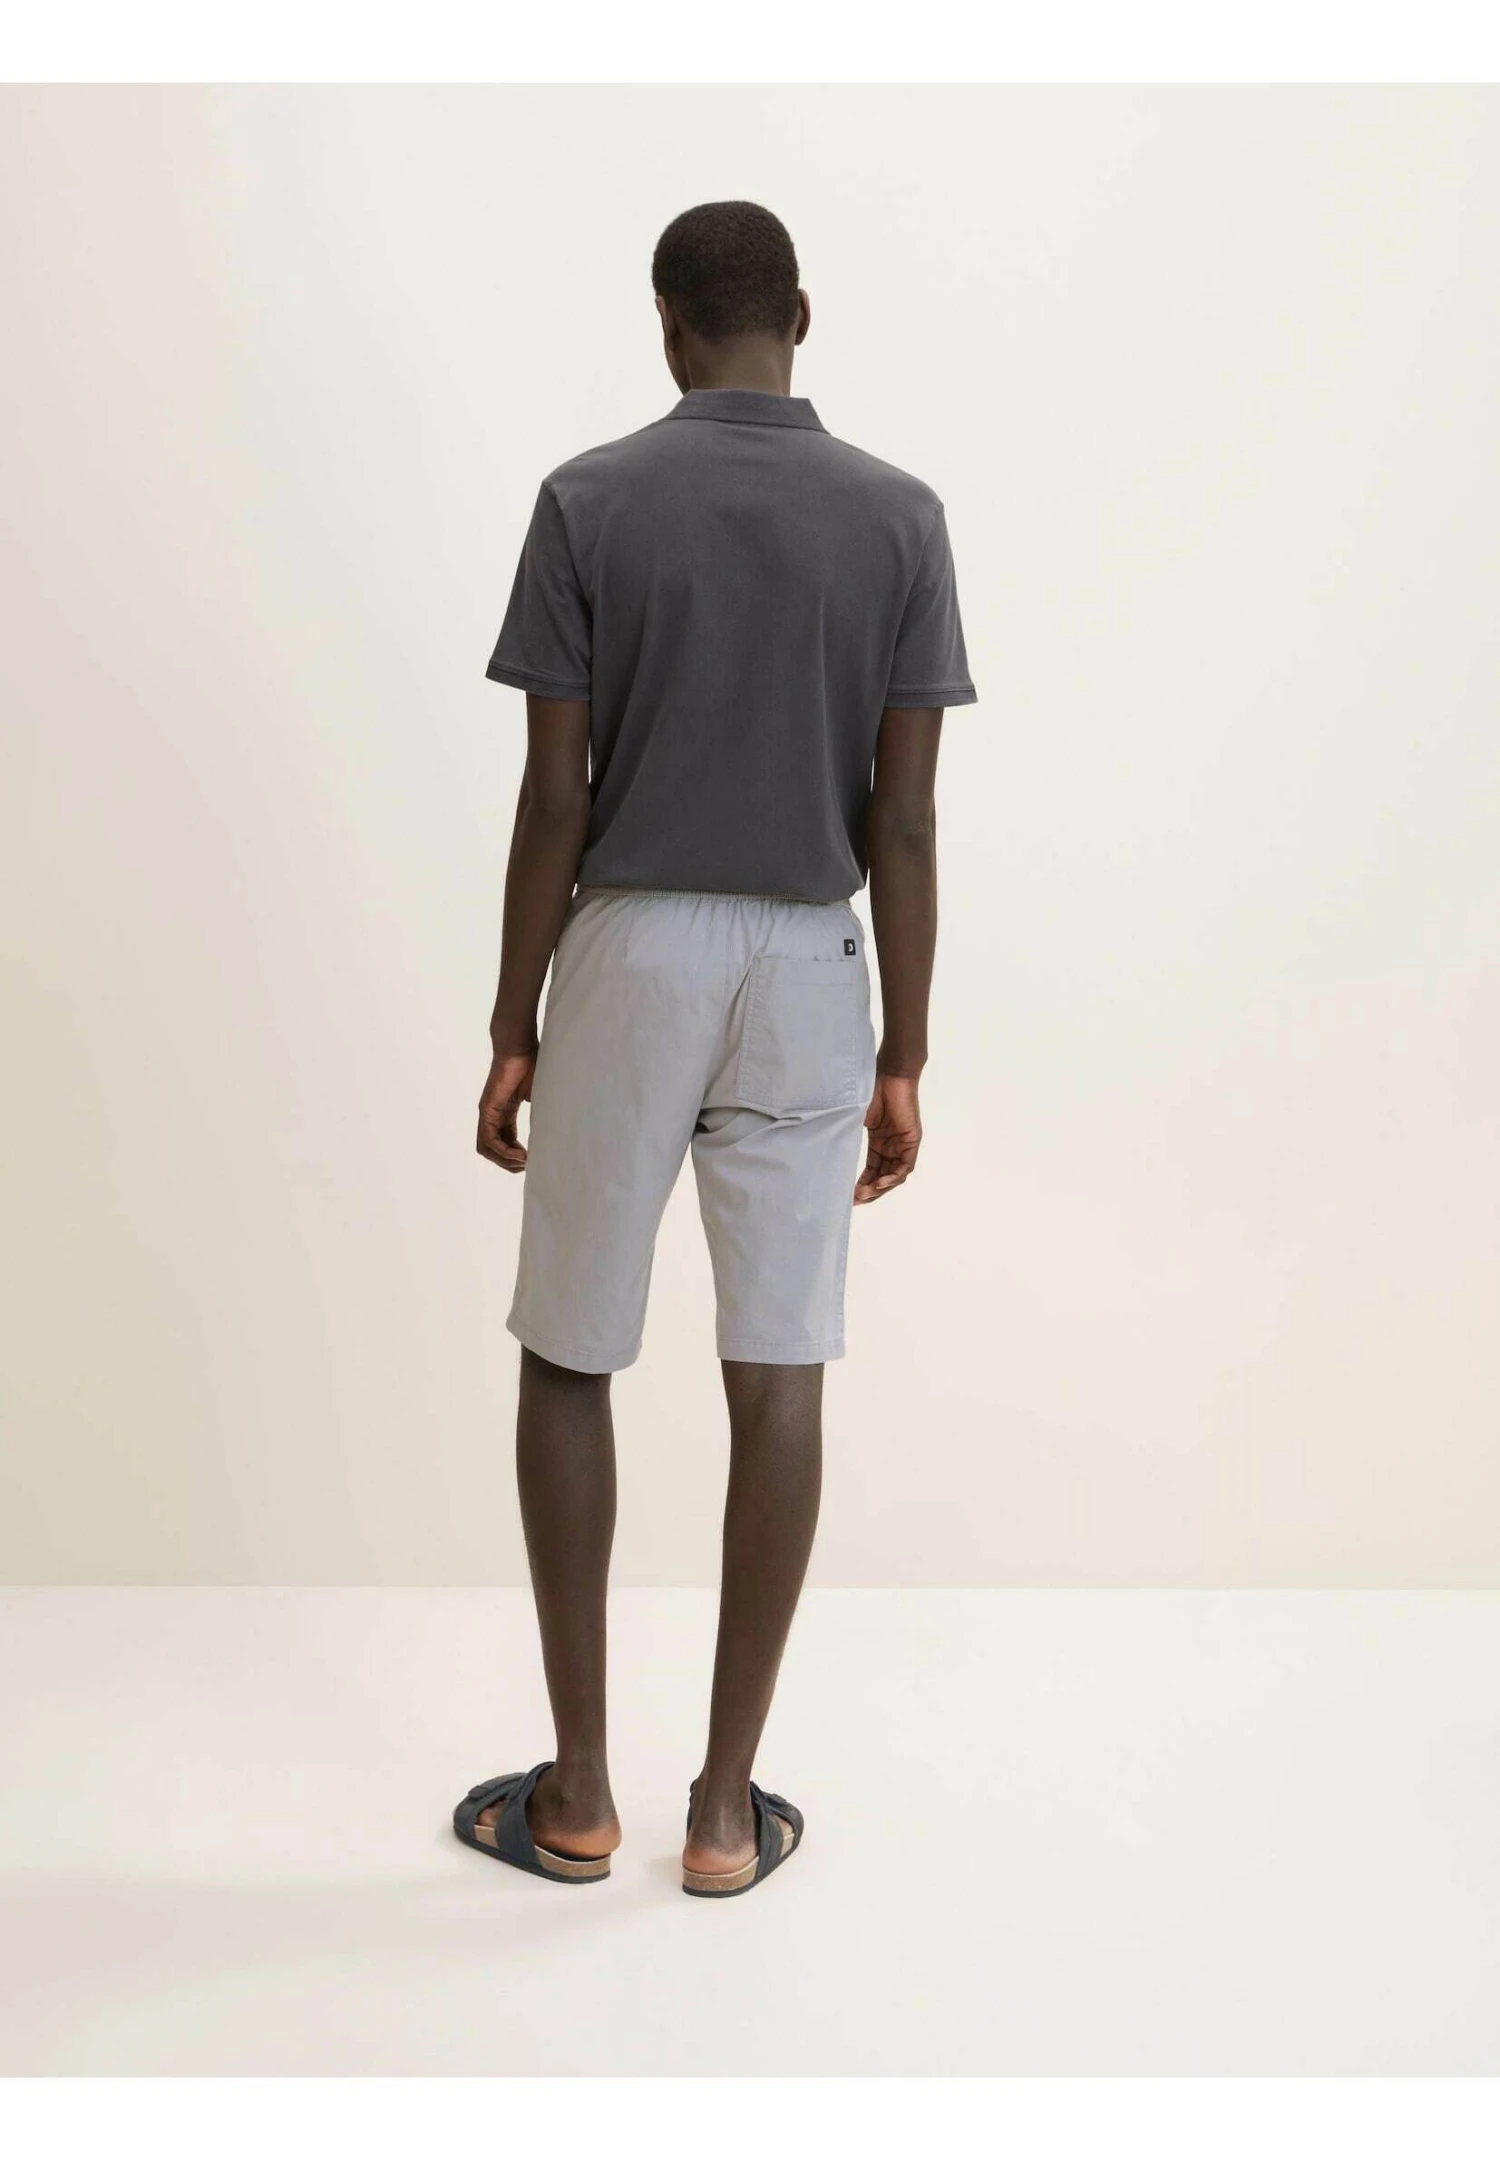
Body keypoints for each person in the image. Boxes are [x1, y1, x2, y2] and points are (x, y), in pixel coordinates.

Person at [452, 200, 976, 1898]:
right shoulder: (901, 518)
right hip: (816, 963)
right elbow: (905, 819)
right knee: (780, 1373)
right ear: (800, 317)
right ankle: (728, 1813)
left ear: (668, 325)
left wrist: (514, 1020)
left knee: (570, 1354)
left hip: (630, 949)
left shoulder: (588, 501)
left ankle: (578, 1796)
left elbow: (555, 794)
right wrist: (905, 1050)